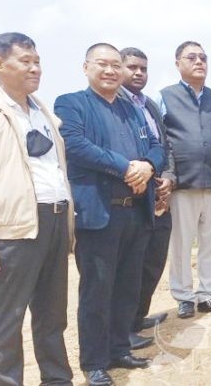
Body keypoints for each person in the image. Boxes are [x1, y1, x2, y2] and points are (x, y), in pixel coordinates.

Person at [0, 32, 74, 386]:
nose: (35, 68)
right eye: (25, 61)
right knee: (7, 318)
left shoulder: (42, 111)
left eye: (37, 62)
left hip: (53, 221)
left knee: (52, 316)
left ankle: (57, 380)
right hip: (13, 231)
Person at [55, 43, 165, 386]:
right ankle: (94, 362)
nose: (110, 71)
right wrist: (125, 166)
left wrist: (147, 166)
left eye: (115, 65)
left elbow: (158, 145)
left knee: (128, 287)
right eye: (102, 64)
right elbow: (75, 145)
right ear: (86, 67)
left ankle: (120, 349)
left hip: (136, 212)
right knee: (97, 291)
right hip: (99, 214)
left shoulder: (134, 108)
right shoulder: (71, 103)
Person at [159, 41, 211, 318]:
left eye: (203, 57)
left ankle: (208, 294)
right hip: (183, 184)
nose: (199, 62)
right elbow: (163, 140)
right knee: (180, 243)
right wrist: (169, 175)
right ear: (178, 63)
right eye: (192, 57)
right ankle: (184, 296)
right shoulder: (165, 97)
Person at [118, 47, 176, 348]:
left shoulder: (150, 106)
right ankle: (122, 328)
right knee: (131, 267)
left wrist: (169, 179)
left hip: (160, 198)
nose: (139, 73)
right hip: (131, 198)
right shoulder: (114, 105)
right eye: (132, 67)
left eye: (143, 68)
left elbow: (165, 148)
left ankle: (138, 317)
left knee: (153, 261)